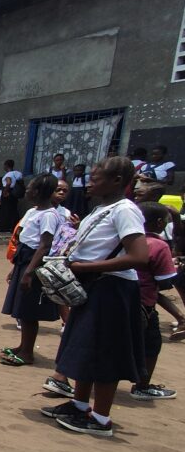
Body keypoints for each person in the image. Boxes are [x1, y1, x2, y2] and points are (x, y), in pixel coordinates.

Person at [39, 157, 148, 437]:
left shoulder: (125, 210)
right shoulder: (102, 208)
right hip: (92, 286)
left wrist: (86, 267)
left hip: (111, 289)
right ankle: (78, 404)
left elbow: (138, 256)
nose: (90, 183)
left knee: (104, 353)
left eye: (97, 178)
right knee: (85, 348)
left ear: (117, 182)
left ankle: (100, 419)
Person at [0, 174, 62, 367]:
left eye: (30, 188)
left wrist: (29, 272)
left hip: (34, 262)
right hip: (24, 259)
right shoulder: (32, 211)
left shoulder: (49, 215)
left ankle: (27, 353)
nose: (26, 191)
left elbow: (44, 245)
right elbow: (23, 238)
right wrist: (16, 268)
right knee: (21, 308)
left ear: (38, 191)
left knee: (28, 310)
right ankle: (22, 345)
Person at [128, 202, 177, 401]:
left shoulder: (125, 239)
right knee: (151, 345)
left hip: (120, 298)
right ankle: (142, 385)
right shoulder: (158, 244)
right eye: (166, 221)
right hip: (144, 304)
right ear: (159, 223)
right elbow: (164, 282)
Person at [0, 159, 23, 233]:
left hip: (8, 191)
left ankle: (6, 228)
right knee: (13, 210)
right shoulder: (18, 173)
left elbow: (8, 183)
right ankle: (15, 227)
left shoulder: (8, 174)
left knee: (6, 210)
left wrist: (5, 191)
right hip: (14, 193)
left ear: (6, 165)